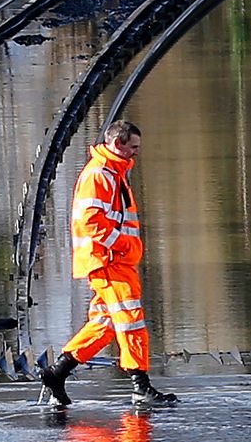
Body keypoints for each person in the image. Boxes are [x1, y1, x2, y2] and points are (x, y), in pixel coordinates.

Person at [40, 120, 176, 407]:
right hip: (110, 261)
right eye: (134, 147)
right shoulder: (101, 174)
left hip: (113, 260)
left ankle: (58, 372)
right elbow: (92, 223)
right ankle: (141, 386)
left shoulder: (113, 172)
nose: (137, 153)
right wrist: (122, 247)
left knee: (105, 324)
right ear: (118, 144)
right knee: (131, 320)